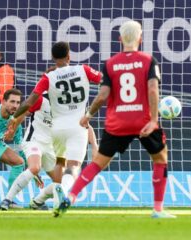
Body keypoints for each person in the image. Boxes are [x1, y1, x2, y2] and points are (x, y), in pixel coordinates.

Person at [55, 20, 176, 219]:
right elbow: (153, 90)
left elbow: (102, 95)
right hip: (143, 121)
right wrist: (154, 120)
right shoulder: (148, 60)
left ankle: (72, 195)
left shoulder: (110, 64)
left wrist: (88, 115)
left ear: (120, 39)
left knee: (98, 163)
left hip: (117, 122)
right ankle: (158, 209)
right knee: (160, 158)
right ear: (140, 38)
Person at [5, 41, 102, 215]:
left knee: (60, 162)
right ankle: (63, 192)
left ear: (53, 58)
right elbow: (104, 80)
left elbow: (29, 102)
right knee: (73, 166)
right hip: (78, 125)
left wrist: (13, 117)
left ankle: (54, 194)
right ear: (69, 56)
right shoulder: (84, 70)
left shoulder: (48, 78)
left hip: (57, 129)